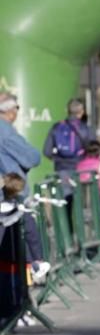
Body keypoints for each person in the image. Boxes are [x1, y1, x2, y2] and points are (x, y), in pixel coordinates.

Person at [0, 93, 50, 281]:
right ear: (10, 111)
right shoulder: (5, 131)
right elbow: (32, 157)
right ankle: (32, 272)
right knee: (26, 236)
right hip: (11, 194)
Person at [42, 98, 96, 199]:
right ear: (81, 112)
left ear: (67, 111)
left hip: (61, 168)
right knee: (79, 201)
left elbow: (46, 151)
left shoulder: (57, 127)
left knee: (63, 200)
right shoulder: (86, 129)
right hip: (81, 168)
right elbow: (94, 149)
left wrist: (58, 159)